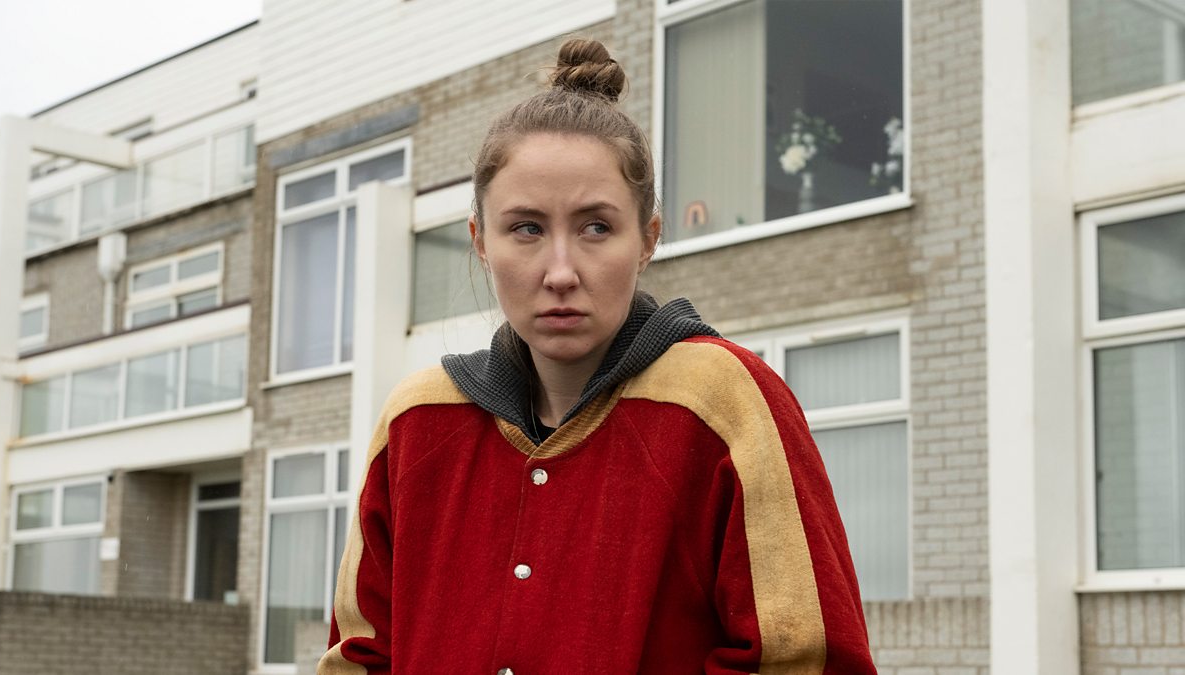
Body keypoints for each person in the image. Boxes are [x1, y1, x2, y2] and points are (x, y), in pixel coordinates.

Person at [319, 38, 877, 674]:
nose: (560, 271)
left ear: (648, 239)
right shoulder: (416, 420)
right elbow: (357, 657)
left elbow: (808, 659)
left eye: (596, 227)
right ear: (480, 241)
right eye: (526, 228)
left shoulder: (727, 400)